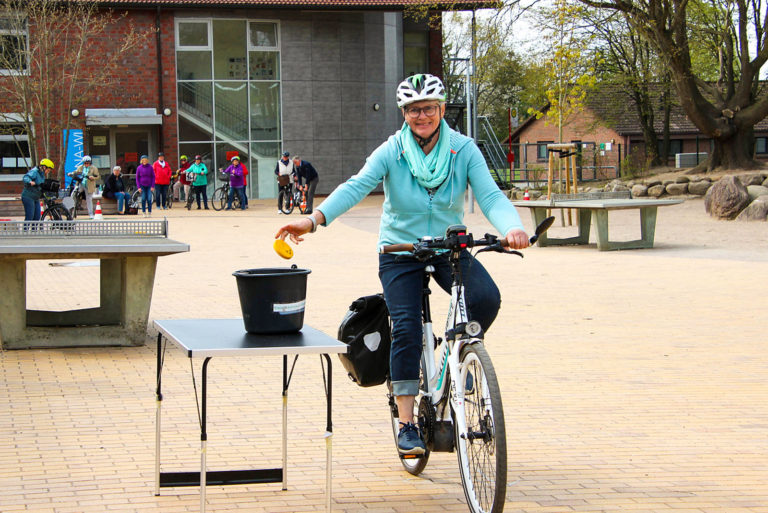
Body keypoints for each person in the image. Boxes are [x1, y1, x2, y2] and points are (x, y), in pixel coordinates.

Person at [276, 74, 529, 456]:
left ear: (442, 109)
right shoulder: (392, 151)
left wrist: (512, 227)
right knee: (407, 326)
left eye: (428, 108)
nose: (421, 115)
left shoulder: (463, 150)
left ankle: (456, 356)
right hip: (399, 249)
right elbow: (356, 186)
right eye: (413, 109)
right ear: (404, 114)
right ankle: (407, 423)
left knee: (486, 298)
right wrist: (313, 219)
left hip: (448, 247)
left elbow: (490, 195)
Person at [21, 158, 55, 225]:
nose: (48, 171)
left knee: (37, 216)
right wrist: (30, 181)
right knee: (30, 216)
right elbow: (25, 177)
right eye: (48, 170)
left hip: (36, 197)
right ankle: (25, 232)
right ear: (44, 167)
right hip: (28, 196)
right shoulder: (35, 172)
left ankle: (34, 232)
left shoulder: (42, 174)